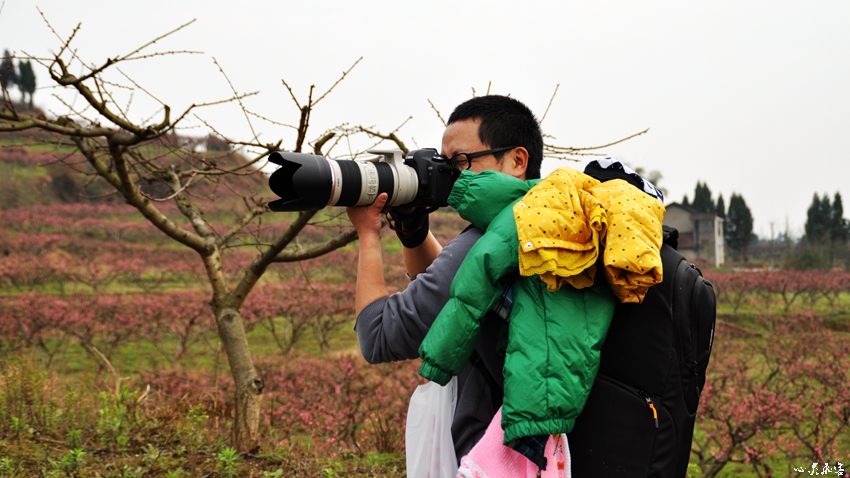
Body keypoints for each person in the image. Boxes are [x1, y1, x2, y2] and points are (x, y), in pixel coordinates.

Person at [346, 95, 543, 459]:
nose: (450, 175)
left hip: (496, 456)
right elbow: (460, 294)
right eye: (444, 162)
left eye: (461, 162)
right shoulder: (542, 222)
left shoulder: (486, 243)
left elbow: (377, 336)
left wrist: (368, 233)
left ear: (517, 160)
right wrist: (413, 231)